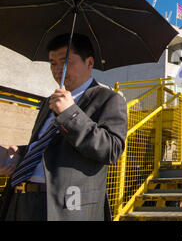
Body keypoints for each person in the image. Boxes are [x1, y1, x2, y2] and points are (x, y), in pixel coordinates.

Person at [0, 33, 128, 221]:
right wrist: (19, 152)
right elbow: (48, 147)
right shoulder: (48, 102)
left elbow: (111, 149)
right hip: (21, 200)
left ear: (90, 63)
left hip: (65, 207)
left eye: (66, 61)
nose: (58, 69)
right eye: (53, 63)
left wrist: (70, 113)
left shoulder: (108, 99)